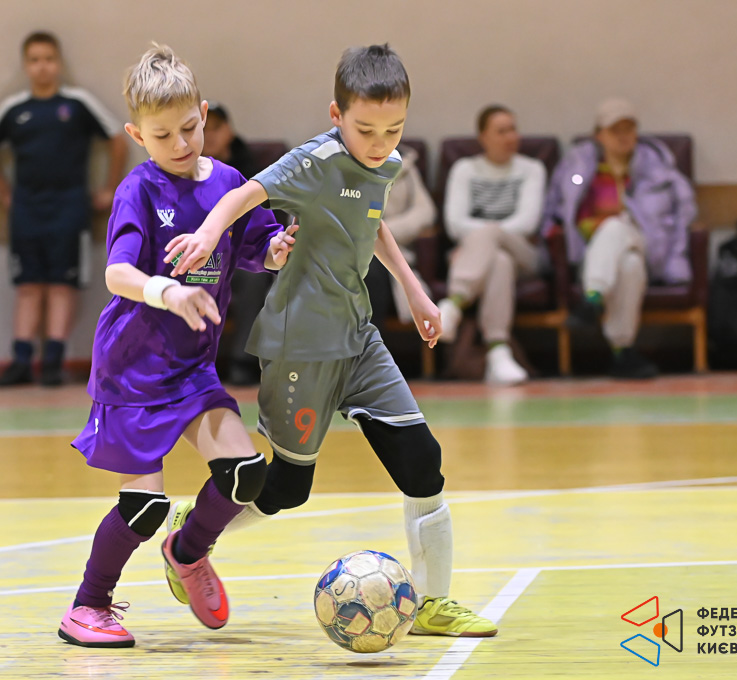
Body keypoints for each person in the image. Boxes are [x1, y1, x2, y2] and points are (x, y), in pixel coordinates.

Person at [164, 44, 497, 638]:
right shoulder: (313, 161)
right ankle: (192, 532)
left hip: (359, 337)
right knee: (287, 488)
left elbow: (371, 220)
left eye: (394, 129)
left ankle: (433, 604)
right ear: (336, 115)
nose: (380, 142)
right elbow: (243, 195)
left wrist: (416, 291)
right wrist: (210, 235)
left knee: (423, 462)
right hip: (301, 347)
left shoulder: (385, 162)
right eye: (365, 129)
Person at [58, 45, 294, 648]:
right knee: (144, 507)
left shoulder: (230, 184)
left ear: (204, 113)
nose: (181, 143)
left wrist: (277, 252)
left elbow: (257, 248)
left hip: (192, 369)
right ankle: (87, 607)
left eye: (190, 128)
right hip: (132, 371)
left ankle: (187, 552)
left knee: (245, 475)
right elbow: (117, 274)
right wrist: (167, 291)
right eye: (162, 136)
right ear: (137, 135)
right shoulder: (138, 189)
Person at [0, 31, 129, 387]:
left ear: (58, 63)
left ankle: (53, 362)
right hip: (26, 208)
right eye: (34, 60)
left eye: (48, 59)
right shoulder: (14, 108)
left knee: (62, 284)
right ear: (25, 65)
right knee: (28, 285)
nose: (42, 67)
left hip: (70, 207)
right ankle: (21, 360)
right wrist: (3, 192)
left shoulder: (77, 103)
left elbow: (117, 140)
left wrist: (109, 188)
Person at [543, 98, 697, 379]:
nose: (624, 136)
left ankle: (593, 298)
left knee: (616, 227)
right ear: (598, 135)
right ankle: (622, 351)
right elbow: (561, 202)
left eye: (629, 129)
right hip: (591, 250)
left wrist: (674, 255)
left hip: (648, 243)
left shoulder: (657, 168)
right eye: (615, 130)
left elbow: (683, 210)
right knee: (629, 265)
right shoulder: (579, 168)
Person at [438, 105, 546, 385]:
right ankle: (498, 352)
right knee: (499, 261)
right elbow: (454, 223)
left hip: (523, 253)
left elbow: (527, 223)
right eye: (501, 131)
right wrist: (484, 243)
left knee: (495, 242)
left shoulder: (532, 169)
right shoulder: (465, 169)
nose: (511, 137)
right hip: (485, 257)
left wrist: (484, 236)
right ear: (483, 137)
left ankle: (454, 303)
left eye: (513, 129)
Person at [201, 102, 276, 384]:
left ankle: (243, 360)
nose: (209, 136)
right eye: (204, 129)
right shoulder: (186, 169)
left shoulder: (249, 171)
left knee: (256, 276)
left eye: (215, 128)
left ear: (229, 131)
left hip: (238, 251)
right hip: (200, 251)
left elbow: (264, 219)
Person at [363, 143, 435, 338]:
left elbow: (425, 212)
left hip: (391, 255)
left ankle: (368, 350)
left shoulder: (405, 165)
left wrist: (384, 231)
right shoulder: (329, 161)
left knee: (371, 266)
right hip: (340, 251)